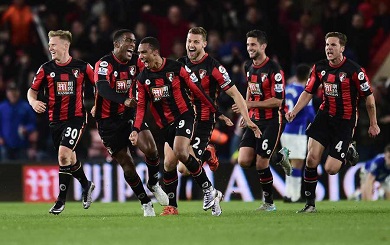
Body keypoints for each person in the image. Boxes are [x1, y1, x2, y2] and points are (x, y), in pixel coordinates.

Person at [131, 37, 249, 216]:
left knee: (180, 152)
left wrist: (217, 113)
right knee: (171, 163)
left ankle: (208, 178)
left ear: (155, 51)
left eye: (143, 52)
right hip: (165, 125)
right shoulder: (142, 79)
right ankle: (179, 204)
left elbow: (197, 91)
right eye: (139, 53)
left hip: (185, 115)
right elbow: (140, 108)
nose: (140, 57)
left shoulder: (176, 68)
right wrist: (135, 129)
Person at [286, 32, 381, 213]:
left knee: (330, 168)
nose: (329, 48)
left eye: (333, 45)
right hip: (324, 116)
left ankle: (347, 149)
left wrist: (373, 123)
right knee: (312, 159)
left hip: (345, 121)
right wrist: (294, 112)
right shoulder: (319, 68)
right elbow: (308, 92)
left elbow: (369, 99)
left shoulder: (355, 71)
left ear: (342, 48)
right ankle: (310, 205)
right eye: (327, 45)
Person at [93, 29, 168, 217]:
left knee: (151, 149)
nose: (133, 45)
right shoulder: (104, 64)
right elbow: (101, 87)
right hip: (108, 122)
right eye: (129, 41)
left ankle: (154, 183)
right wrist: (123, 99)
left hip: (130, 115)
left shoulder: (137, 62)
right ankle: (145, 202)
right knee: (127, 163)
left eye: (134, 42)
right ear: (117, 44)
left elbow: (152, 72)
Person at [27, 30, 95, 214]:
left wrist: (97, 104)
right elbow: (31, 91)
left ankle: (60, 201)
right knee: (69, 158)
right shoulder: (46, 69)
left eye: (53, 44)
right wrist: (33, 102)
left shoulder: (83, 67)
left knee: (63, 155)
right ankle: (86, 184)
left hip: (76, 118)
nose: (50, 48)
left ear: (65, 45)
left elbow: (100, 84)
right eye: (49, 45)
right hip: (55, 120)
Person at [177, 26, 260, 173]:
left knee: (184, 169)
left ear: (204, 44)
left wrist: (247, 118)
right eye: (189, 41)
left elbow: (236, 94)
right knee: (171, 164)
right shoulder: (180, 64)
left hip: (203, 120)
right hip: (183, 119)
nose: (191, 45)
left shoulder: (214, 67)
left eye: (196, 42)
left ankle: (208, 152)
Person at [232, 30, 292, 212]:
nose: (249, 48)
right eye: (248, 44)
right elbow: (250, 89)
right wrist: (246, 113)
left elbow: (278, 101)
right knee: (243, 160)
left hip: (273, 120)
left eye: (253, 45)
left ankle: (269, 203)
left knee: (260, 163)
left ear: (263, 46)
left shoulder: (274, 69)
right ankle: (278, 156)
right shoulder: (248, 66)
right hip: (255, 120)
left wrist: (248, 103)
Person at [281, 64, 315, 203]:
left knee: (289, 163)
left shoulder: (287, 89)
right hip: (297, 132)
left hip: (285, 131)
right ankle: (295, 196)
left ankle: (288, 194)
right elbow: (310, 114)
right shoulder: (305, 92)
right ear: (308, 76)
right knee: (298, 163)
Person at [0, 82, 37, 161]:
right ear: (7, 93)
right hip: (5, 145)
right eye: (10, 91)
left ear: (18, 92)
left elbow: (33, 123)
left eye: (15, 91)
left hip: (22, 145)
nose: (13, 93)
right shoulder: (2, 108)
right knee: (5, 170)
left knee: (21, 169)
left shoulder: (25, 107)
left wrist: (26, 128)